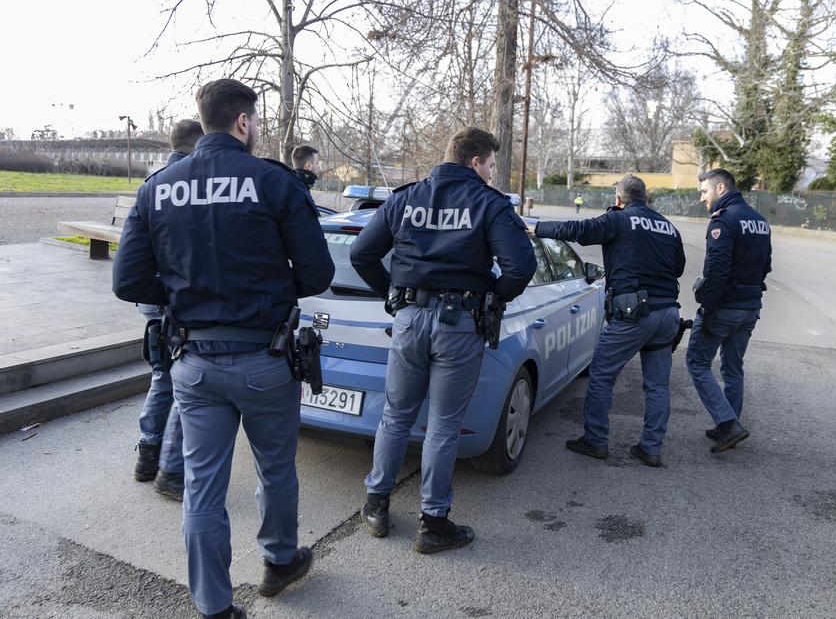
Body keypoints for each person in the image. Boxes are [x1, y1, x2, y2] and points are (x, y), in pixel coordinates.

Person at [113, 79, 334, 619]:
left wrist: (187, 294)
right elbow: (317, 273)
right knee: (275, 470)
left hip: (192, 363)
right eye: (255, 122)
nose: (256, 130)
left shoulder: (159, 187)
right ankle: (280, 560)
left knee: (203, 487)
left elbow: (128, 282)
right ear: (242, 122)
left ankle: (213, 606)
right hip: (264, 360)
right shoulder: (274, 182)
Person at [350, 127, 536, 553]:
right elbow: (520, 265)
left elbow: (362, 254)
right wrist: (494, 295)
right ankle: (433, 523)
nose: (491, 171)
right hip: (459, 324)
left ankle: (376, 506)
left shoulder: (404, 198)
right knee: (444, 425)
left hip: (410, 319)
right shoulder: (489, 203)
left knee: (395, 416)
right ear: (476, 161)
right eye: (490, 163)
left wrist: (395, 298)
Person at [535, 175, 686, 467]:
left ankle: (595, 440)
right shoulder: (669, 227)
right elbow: (678, 268)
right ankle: (651, 448)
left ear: (618, 199)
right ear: (646, 197)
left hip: (633, 315)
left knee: (602, 375)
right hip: (668, 314)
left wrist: (536, 226)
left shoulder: (619, 220)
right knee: (657, 386)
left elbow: (577, 230)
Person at [134, 118, 204, 503]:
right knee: (176, 380)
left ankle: (149, 451)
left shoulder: (154, 182)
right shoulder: (189, 183)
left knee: (162, 376)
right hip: (176, 299)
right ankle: (165, 463)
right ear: (198, 145)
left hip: (152, 300)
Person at [685, 168, 772, 453]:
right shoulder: (760, 221)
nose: (702, 198)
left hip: (725, 307)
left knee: (697, 363)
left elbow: (716, 270)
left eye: (704, 191)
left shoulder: (723, 221)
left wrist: (708, 310)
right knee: (733, 368)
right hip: (750, 308)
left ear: (721, 189)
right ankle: (729, 428)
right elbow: (766, 265)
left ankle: (728, 423)